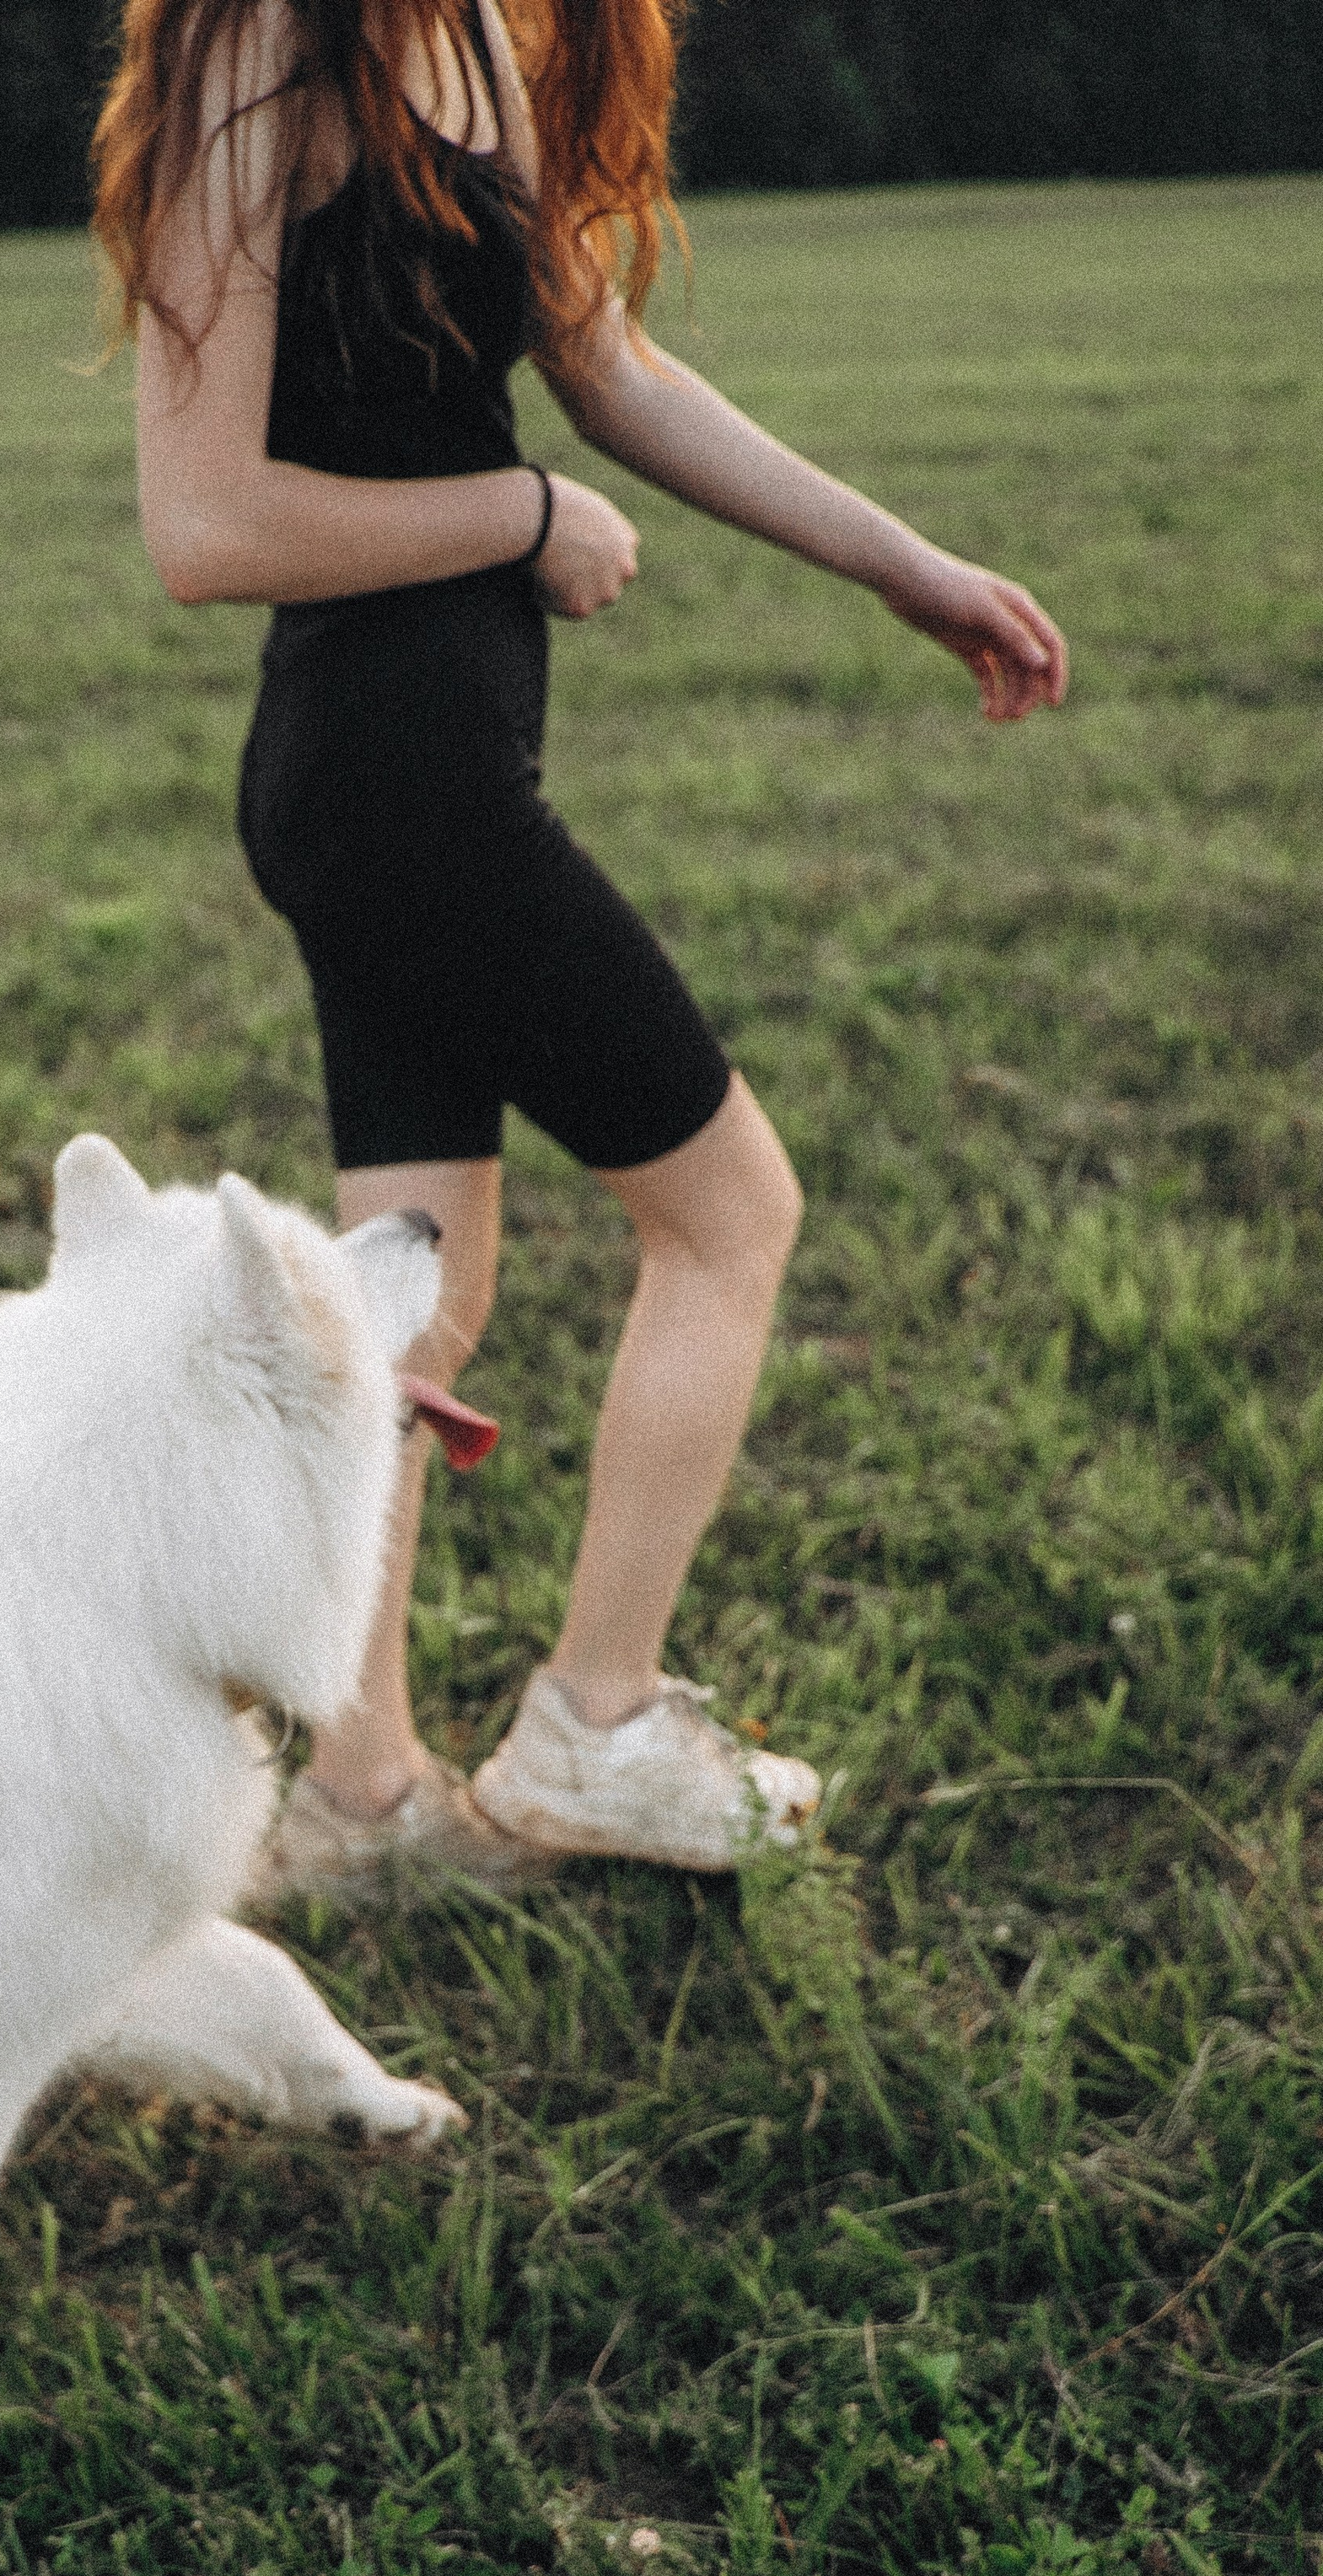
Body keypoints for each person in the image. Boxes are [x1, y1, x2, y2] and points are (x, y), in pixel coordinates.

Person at [92, 0, 1067, 1892]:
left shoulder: (467, 24)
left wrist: (907, 568)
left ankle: (360, 1802)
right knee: (729, 1212)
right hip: (396, 785)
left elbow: (606, 364)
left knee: (416, 1295)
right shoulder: (264, 47)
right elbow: (202, 524)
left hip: (413, 778)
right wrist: (520, 511)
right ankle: (594, 1729)